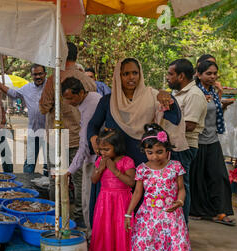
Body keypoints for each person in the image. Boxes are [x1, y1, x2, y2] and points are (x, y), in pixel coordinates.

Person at [87, 57, 182, 228]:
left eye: (135, 73)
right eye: (126, 74)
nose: (131, 77)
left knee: (139, 204)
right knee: (109, 208)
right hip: (113, 163)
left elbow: (174, 117)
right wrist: (93, 138)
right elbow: (93, 125)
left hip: (141, 160)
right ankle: (110, 241)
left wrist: (167, 99)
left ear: (140, 74)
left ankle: (137, 243)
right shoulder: (108, 101)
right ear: (118, 76)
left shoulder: (153, 97)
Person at [122, 124, 200, 251]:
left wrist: (179, 202)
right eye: (150, 153)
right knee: (146, 246)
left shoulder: (175, 167)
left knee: (171, 248)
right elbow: (137, 193)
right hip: (148, 217)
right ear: (145, 152)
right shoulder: (142, 169)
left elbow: (181, 189)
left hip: (171, 217)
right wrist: (128, 214)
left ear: (167, 150)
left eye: (159, 152)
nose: (155, 157)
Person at [39, 42, 97, 225]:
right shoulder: (87, 80)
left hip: (58, 138)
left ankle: (56, 216)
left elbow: (43, 107)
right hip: (81, 138)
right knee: (81, 182)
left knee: (56, 179)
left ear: (60, 56)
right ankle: (80, 219)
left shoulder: (54, 79)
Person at [189, 60, 235, 226]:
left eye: (214, 73)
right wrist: (202, 102)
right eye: (208, 73)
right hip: (198, 140)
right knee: (198, 177)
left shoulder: (214, 92)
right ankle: (197, 210)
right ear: (199, 74)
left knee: (219, 176)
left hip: (212, 139)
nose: (213, 76)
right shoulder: (194, 92)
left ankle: (221, 212)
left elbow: (215, 116)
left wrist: (221, 102)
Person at [88, 128, 135, 251]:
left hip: (122, 202)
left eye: (106, 149)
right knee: (104, 232)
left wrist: (114, 170)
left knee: (121, 234)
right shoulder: (100, 160)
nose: (103, 153)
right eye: (101, 149)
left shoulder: (127, 161)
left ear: (117, 146)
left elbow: (131, 182)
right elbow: (94, 180)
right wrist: (100, 168)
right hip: (104, 202)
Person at [166, 58, 208, 225]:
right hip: (175, 145)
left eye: (170, 74)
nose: (168, 77)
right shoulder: (178, 93)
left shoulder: (194, 95)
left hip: (184, 146)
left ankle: (181, 227)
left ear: (181, 76)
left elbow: (190, 125)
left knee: (181, 187)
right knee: (173, 187)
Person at [61, 77, 102, 231]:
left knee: (88, 199)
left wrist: (69, 171)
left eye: (70, 98)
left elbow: (84, 144)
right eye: (65, 99)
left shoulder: (90, 105)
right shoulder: (89, 99)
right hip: (92, 156)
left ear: (80, 93)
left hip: (94, 158)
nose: (68, 102)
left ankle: (92, 234)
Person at [0, 64, 48, 176]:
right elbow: (13, 93)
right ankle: (26, 184)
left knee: (49, 163)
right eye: (35, 74)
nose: (38, 76)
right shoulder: (27, 88)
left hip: (50, 132)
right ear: (31, 75)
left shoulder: (52, 87)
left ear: (45, 74)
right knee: (30, 161)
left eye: (40, 74)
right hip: (33, 130)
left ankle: (49, 187)